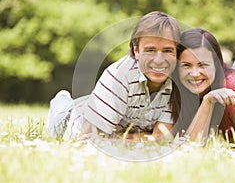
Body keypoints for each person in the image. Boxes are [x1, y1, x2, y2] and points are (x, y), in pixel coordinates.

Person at [48, 11, 181, 141]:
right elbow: (91, 139)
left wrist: (123, 139)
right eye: (150, 50)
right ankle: (62, 101)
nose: (159, 60)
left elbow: (160, 137)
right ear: (136, 50)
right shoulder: (119, 76)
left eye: (167, 51)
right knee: (61, 112)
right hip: (70, 122)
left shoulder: (179, 80)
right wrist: (140, 139)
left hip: (115, 120)